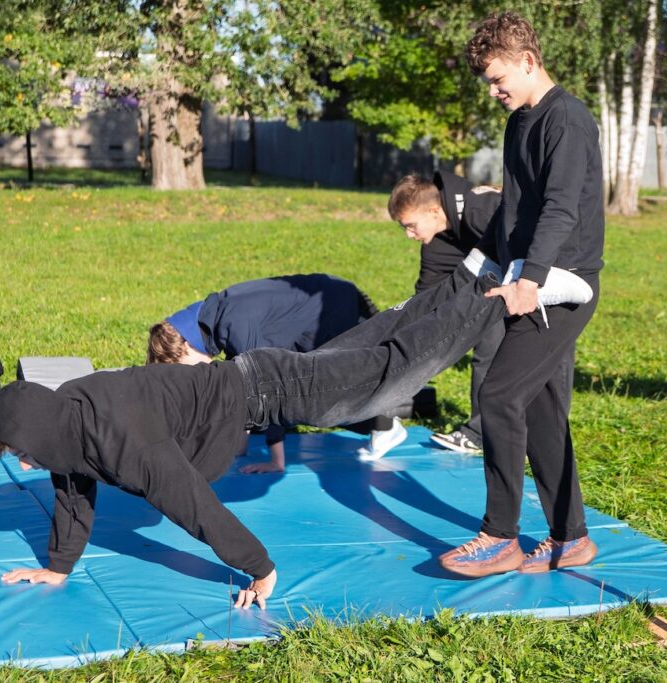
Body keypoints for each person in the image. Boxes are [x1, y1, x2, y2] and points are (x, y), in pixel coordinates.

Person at [0, 262, 593, 608]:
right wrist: (58, 567)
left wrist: (259, 568)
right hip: (262, 379)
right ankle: (473, 274)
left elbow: (190, 505)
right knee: (375, 344)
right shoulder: (74, 417)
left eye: (23, 453)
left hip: (273, 390)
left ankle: (511, 294)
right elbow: (72, 489)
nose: (27, 464)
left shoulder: (119, 440)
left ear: (43, 430)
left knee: (392, 368)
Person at [437, 11, 605, 578]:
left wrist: (531, 279)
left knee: (500, 395)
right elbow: (515, 206)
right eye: (487, 82)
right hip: (524, 277)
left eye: (497, 79)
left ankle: (500, 536)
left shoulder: (569, 121)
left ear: (528, 61)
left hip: (563, 284)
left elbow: (561, 208)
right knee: (539, 409)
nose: (493, 91)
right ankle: (572, 537)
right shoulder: (520, 123)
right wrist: (482, 263)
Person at [147, 274, 405, 469]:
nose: (192, 373)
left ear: (187, 345)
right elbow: (238, 384)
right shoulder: (214, 316)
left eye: (184, 366)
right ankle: (387, 413)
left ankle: (385, 425)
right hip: (327, 301)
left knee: (319, 394)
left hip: (336, 309)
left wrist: (275, 460)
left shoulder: (231, 324)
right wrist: (240, 444)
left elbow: (265, 387)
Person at [388, 172, 505, 454]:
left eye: (411, 225)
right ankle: (489, 431)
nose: (409, 234)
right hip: (499, 281)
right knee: (486, 339)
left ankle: (481, 434)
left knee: (491, 346)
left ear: (433, 210)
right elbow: (426, 300)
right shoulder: (438, 242)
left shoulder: (481, 209)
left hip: (544, 279)